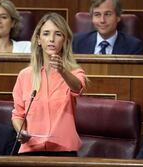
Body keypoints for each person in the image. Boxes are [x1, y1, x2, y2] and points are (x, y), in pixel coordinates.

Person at [12, 13, 87, 156]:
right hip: (31, 150)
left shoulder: (74, 73)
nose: (51, 39)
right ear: (39, 40)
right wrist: (20, 130)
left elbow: (78, 87)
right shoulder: (25, 75)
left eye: (58, 34)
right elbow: (18, 114)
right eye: (46, 34)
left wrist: (62, 70)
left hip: (64, 151)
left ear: (64, 40)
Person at [72, 0, 143, 54]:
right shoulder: (76, 42)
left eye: (108, 14)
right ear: (92, 18)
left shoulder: (134, 46)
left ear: (118, 17)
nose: (102, 20)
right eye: (97, 15)